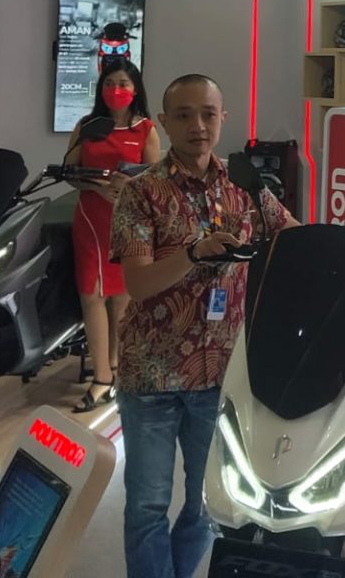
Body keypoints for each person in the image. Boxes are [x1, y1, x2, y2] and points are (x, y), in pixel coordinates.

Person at [111, 74, 295, 578]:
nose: (198, 125)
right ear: (164, 122)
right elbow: (139, 283)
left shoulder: (245, 187)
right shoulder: (141, 193)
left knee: (210, 504)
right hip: (151, 375)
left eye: (208, 114)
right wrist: (194, 253)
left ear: (223, 119)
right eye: (184, 115)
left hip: (219, 376)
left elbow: (294, 237)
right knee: (147, 505)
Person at [66, 59, 160, 413]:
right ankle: (101, 377)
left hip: (128, 221)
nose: (115, 90)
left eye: (122, 83)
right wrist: (97, 186)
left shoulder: (146, 129)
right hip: (91, 220)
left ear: (135, 89)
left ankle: (118, 368)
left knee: (121, 298)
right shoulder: (87, 126)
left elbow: (155, 179)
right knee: (90, 294)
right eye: (109, 83)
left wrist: (127, 188)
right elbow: (69, 171)